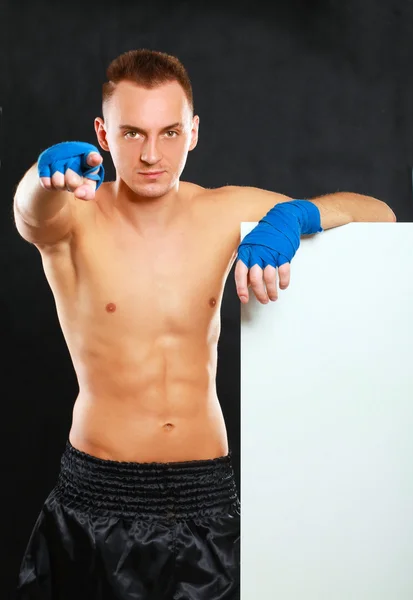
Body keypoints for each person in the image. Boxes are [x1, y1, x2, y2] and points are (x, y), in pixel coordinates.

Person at [13, 48, 396, 600]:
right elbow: (30, 216)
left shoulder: (221, 211)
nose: (151, 153)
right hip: (95, 498)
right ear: (102, 132)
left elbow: (376, 212)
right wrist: (42, 176)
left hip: (205, 496)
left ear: (193, 132)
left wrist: (296, 216)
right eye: (132, 133)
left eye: (169, 133)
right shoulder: (75, 216)